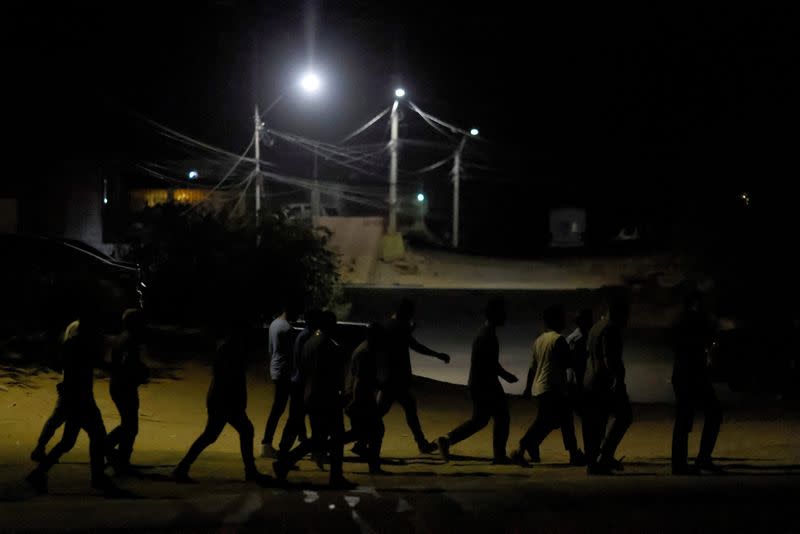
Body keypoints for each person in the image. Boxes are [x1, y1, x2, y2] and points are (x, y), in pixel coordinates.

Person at [26, 310, 117, 494]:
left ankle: (39, 472)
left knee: (68, 441)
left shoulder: (71, 343)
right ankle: (97, 476)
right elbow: (98, 364)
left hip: (74, 397)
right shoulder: (83, 345)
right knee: (97, 437)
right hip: (82, 398)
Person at [173, 320, 272, 485]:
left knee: (220, 434)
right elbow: (229, 377)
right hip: (225, 400)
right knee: (217, 434)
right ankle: (182, 467)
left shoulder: (229, 347)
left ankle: (183, 467)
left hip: (223, 399)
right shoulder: (230, 349)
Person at [273, 311, 355, 489]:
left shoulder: (310, 342)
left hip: (311, 395)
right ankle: (335, 476)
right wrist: (340, 395)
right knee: (336, 437)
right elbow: (329, 375)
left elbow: (304, 368)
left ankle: (285, 462)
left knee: (317, 438)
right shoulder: (326, 345)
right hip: (325, 397)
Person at [436, 298, 520, 464]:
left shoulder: (486, 333)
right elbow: (490, 363)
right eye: (502, 313)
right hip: (485, 384)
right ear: (494, 314)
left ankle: (447, 440)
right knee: (501, 417)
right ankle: (499, 455)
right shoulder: (486, 335)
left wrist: (503, 376)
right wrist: (506, 376)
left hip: (481, 383)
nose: (505, 316)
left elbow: (489, 362)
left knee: (480, 420)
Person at [512, 305, 585, 466]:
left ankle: (572, 453)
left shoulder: (539, 340)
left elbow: (533, 367)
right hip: (554, 388)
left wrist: (527, 389)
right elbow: (568, 363)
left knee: (557, 421)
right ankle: (522, 448)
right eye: (562, 318)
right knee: (549, 421)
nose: (565, 321)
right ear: (558, 320)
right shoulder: (559, 340)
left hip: (541, 387)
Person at [374, 299, 450, 454]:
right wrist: (437, 355)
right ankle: (421, 443)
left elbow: (398, 342)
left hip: (388, 377)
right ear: (406, 313)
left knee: (392, 410)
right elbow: (415, 346)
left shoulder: (389, 325)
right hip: (395, 379)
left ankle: (421, 443)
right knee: (400, 411)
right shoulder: (400, 327)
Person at [671, 290, 723, 475]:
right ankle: (696, 460)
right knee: (711, 413)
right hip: (692, 374)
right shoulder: (694, 320)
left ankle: (684, 462)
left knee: (685, 419)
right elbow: (709, 337)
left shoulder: (681, 320)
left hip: (685, 374)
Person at [582, 295, 632, 475]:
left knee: (599, 422)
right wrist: (618, 379)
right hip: (604, 381)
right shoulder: (611, 328)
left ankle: (597, 460)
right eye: (625, 314)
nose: (627, 319)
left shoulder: (596, 327)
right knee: (624, 416)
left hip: (591, 380)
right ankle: (604, 457)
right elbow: (609, 358)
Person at [106, 309, 149, 474]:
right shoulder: (129, 340)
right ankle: (109, 449)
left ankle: (120, 458)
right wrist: (140, 373)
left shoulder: (123, 338)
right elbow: (126, 365)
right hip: (124, 387)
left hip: (120, 386)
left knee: (129, 425)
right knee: (130, 426)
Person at [30, 319, 80, 462]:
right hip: (72, 390)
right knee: (60, 422)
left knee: (58, 421)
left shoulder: (70, 344)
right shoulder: (73, 345)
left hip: (70, 388)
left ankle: (40, 451)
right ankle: (40, 454)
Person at [343, 322, 387, 474]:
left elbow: (365, 377)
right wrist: (355, 402)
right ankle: (374, 467)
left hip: (360, 396)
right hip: (361, 398)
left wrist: (379, 385)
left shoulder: (366, 349)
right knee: (377, 430)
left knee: (360, 432)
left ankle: (322, 448)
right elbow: (360, 380)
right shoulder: (366, 352)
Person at [277, 309, 318, 454]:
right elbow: (303, 362)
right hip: (301, 383)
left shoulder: (305, 335)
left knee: (297, 418)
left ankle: (295, 447)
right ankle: (286, 450)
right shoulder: (308, 336)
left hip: (298, 381)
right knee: (298, 419)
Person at [261, 305, 296, 458]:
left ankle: (268, 443)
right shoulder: (287, 328)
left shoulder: (274, 324)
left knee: (281, 407)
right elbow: (293, 354)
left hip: (275, 368)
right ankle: (267, 443)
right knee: (280, 408)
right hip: (284, 372)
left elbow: (270, 349)